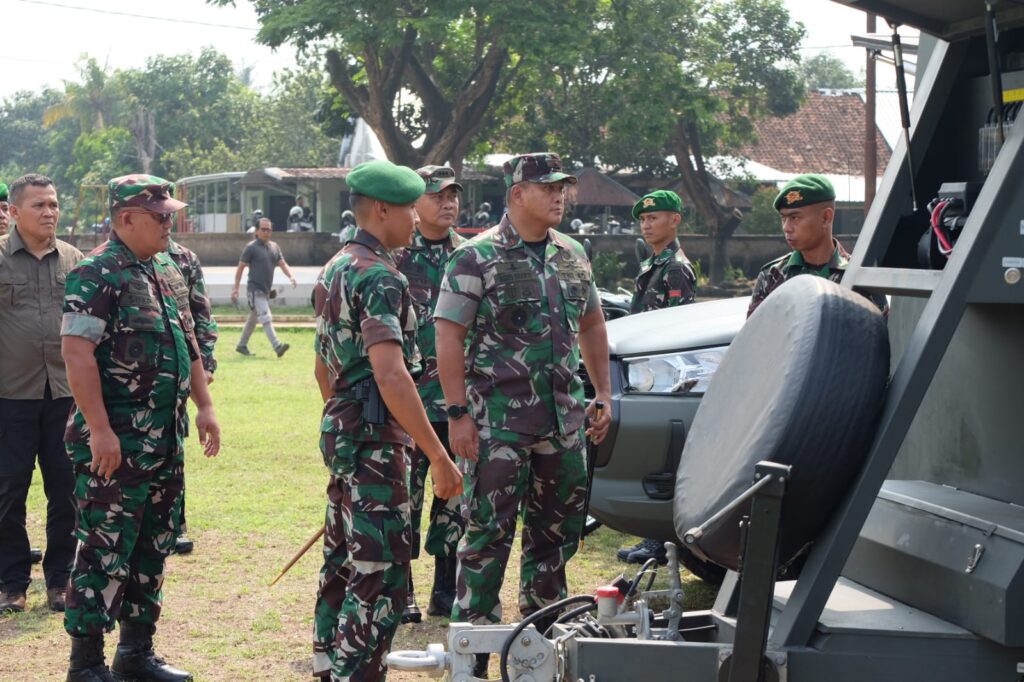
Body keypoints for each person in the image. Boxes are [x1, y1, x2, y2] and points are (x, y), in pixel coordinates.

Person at [434, 152, 612, 675]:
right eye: (549, 187)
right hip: (497, 425)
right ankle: (475, 654)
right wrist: (457, 413)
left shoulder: (573, 252)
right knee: (488, 537)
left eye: (564, 187)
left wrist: (601, 392)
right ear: (517, 195)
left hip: (562, 422)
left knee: (555, 538)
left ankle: (542, 646)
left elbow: (594, 325)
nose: (561, 196)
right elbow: (449, 335)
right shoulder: (476, 256)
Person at [60, 174, 221, 682]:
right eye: (160, 216)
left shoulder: (160, 271)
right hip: (115, 444)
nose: (169, 224)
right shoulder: (97, 273)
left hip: (162, 440)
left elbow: (187, 341)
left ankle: (135, 655)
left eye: (170, 214)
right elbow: (77, 354)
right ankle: (85, 665)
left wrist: (205, 406)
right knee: (104, 549)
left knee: (153, 546)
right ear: (126, 218)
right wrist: (100, 429)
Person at [311, 159, 463, 681]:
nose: (415, 220)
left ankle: (327, 659)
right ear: (381, 209)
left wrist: (346, 416)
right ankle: (357, 672)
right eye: (406, 209)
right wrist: (438, 455)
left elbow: (321, 366)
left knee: (342, 552)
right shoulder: (380, 276)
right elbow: (393, 375)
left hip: (347, 426)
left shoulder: (336, 267)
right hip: (374, 433)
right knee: (383, 571)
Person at [0, 174, 83, 615]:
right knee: (8, 490)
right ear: (14, 213)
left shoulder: (74, 260)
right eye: (39, 206)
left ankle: (60, 579)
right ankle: (12, 581)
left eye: (53, 204)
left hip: (66, 394)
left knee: (66, 488)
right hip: (9, 395)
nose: (49, 212)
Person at [394, 165, 467, 624]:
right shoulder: (396, 256)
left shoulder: (473, 255)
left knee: (455, 501)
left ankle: (446, 590)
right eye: (438, 195)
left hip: (459, 404)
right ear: (415, 205)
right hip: (410, 403)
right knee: (404, 498)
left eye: (453, 195)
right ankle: (402, 594)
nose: (448, 203)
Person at [615, 190, 698, 567]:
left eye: (655, 218)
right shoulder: (653, 265)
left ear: (675, 220)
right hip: (649, 370)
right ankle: (654, 539)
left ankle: (661, 541)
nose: (647, 225)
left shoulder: (676, 268)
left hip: (666, 374)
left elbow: (678, 324)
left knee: (665, 458)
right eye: (643, 220)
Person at [747, 174, 888, 318]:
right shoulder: (772, 276)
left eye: (795, 218)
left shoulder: (859, 277)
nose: (786, 227)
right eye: (783, 218)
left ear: (826, 217)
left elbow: (879, 336)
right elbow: (754, 336)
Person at [165, 237, 219, 556]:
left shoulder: (183, 258)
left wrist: (206, 364)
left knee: (175, 443)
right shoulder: (107, 260)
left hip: (181, 369)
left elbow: (199, 315)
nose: (166, 221)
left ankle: (174, 523)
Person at [231, 217, 297, 358]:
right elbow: (240, 268)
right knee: (265, 317)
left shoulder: (274, 247)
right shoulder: (251, 248)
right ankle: (277, 346)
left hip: (266, 290)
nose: (267, 232)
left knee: (253, 319)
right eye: (264, 229)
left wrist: (291, 276)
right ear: (257, 231)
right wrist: (235, 289)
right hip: (255, 290)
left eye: (269, 229)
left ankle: (241, 345)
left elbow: (282, 263)